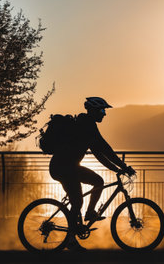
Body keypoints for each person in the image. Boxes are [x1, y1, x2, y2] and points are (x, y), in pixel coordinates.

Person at [49, 97, 135, 229]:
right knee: (77, 202)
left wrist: (117, 169)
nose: (104, 113)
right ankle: (71, 240)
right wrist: (122, 167)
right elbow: (105, 148)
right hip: (63, 168)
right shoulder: (87, 125)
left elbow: (99, 154)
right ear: (93, 110)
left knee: (98, 181)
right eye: (102, 110)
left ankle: (89, 213)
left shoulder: (86, 124)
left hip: (70, 167)